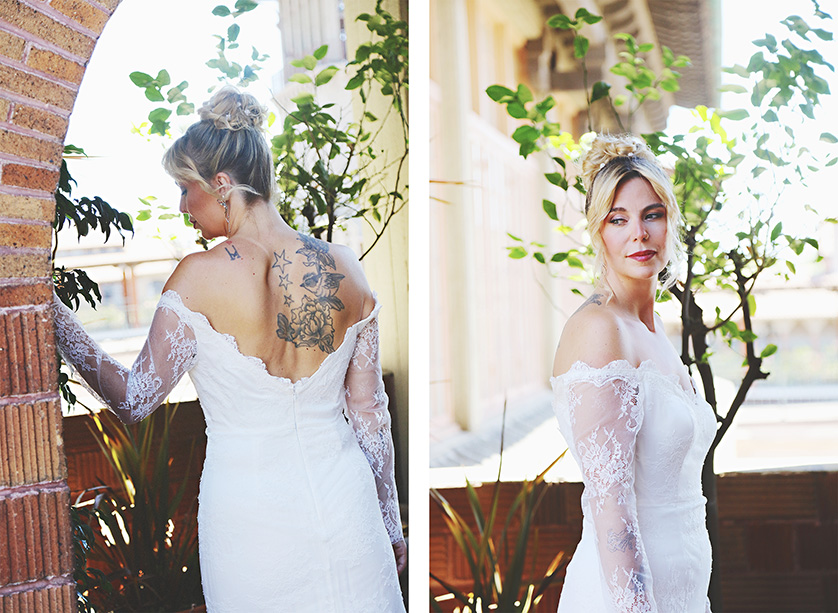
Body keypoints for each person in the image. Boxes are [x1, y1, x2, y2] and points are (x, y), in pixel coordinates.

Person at [53, 87, 406, 612]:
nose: (181, 206)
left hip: (250, 521)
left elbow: (132, 399)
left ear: (221, 185)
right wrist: (390, 523)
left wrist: (58, 319)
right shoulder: (345, 269)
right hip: (347, 509)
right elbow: (370, 415)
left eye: (184, 187)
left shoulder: (199, 278)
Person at [550, 134, 715, 612]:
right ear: (598, 231)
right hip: (627, 597)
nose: (638, 234)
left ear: (670, 223)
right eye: (617, 219)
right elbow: (610, 505)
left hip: (683, 587)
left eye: (652, 215)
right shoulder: (600, 330)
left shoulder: (655, 329)